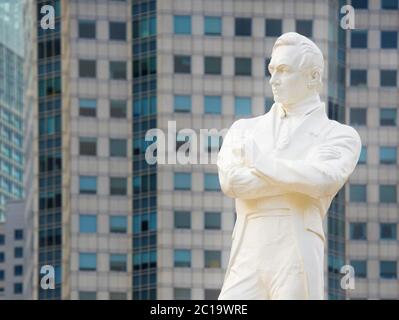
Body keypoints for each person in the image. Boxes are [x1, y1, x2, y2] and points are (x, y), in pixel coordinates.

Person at [217, 32, 361, 300]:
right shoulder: (244, 130)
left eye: (283, 70)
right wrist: (296, 175)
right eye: (272, 70)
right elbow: (232, 182)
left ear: (313, 77)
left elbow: (321, 179)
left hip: (296, 251)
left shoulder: (339, 135)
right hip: (247, 252)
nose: (273, 80)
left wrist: (260, 163)